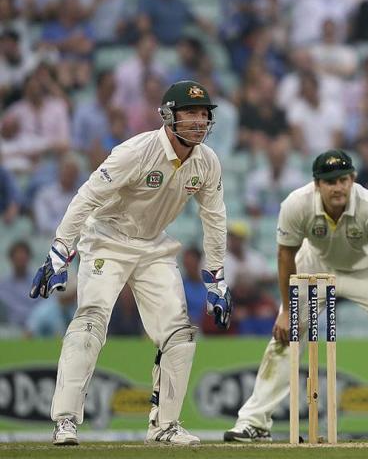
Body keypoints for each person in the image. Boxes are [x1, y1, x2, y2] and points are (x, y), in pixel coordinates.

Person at [28, 80, 232, 446]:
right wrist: (60, 251)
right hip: (107, 239)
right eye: (190, 113)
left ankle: (164, 426)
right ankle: (65, 421)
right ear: (169, 116)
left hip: (153, 246)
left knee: (179, 334)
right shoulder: (136, 152)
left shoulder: (207, 162)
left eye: (204, 115)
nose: (199, 121)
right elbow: (87, 196)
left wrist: (216, 278)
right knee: (90, 321)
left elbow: (214, 217)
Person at [224, 149, 368, 443]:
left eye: (343, 180)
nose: (338, 187)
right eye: (330, 181)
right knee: (285, 339)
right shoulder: (296, 204)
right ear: (317, 184)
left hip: (367, 270)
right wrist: (285, 311)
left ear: (353, 179)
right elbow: (285, 257)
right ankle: (253, 422)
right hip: (314, 266)